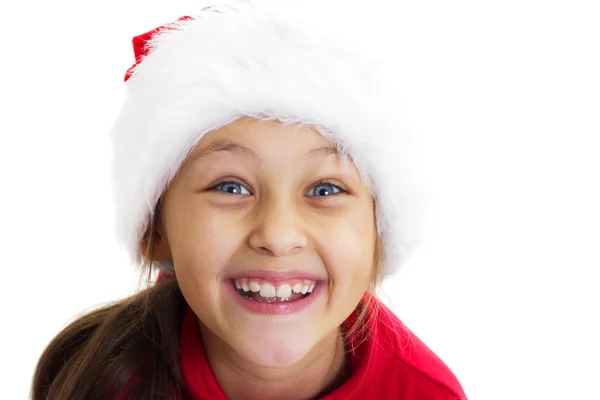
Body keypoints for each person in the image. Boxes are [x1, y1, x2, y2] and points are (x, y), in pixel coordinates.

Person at [32, 1, 467, 399]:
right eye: (230, 187)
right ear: (154, 228)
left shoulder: (424, 392)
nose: (277, 235)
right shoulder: (99, 380)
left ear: (381, 234)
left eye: (325, 190)